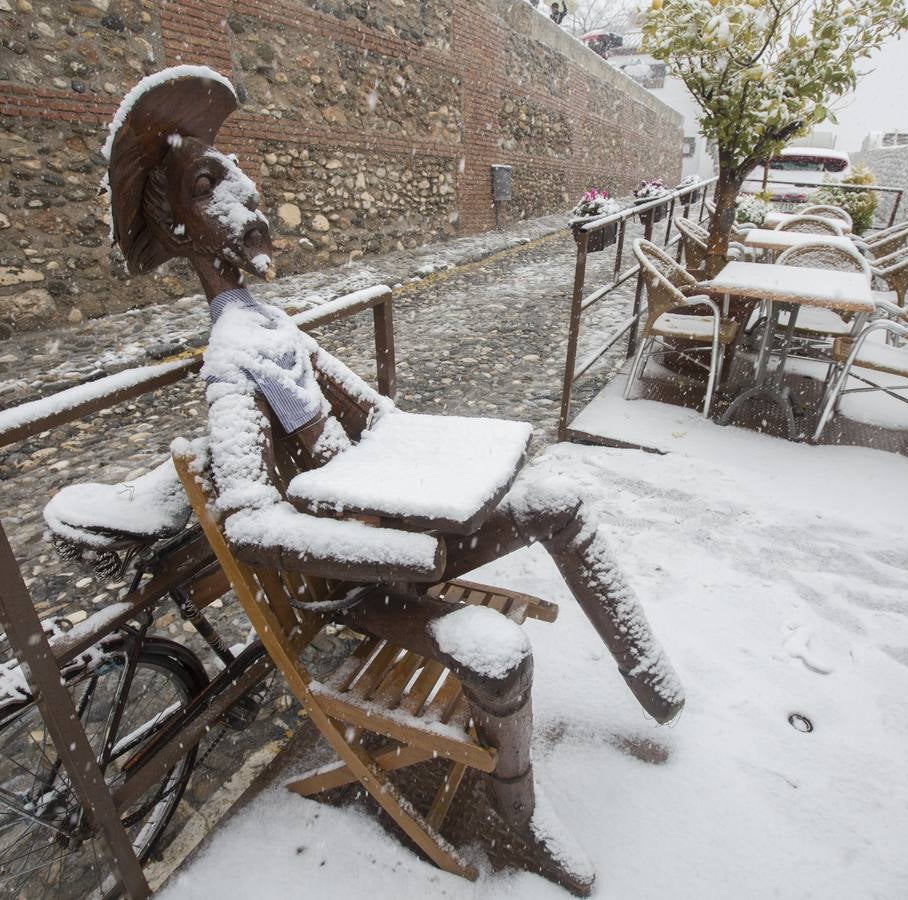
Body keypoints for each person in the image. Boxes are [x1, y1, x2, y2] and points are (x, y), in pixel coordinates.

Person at [104, 66, 683, 884]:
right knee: (497, 655)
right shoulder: (233, 360)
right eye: (212, 185)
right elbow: (248, 525)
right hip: (353, 580)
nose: (246, 200)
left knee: (554, 499)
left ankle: (651, 681)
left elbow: (379, 419)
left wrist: (457, 454)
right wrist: (414, 559)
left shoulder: (273, 328)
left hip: (389, 530)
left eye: (239, 179)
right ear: (174, 219)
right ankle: (517, 822)